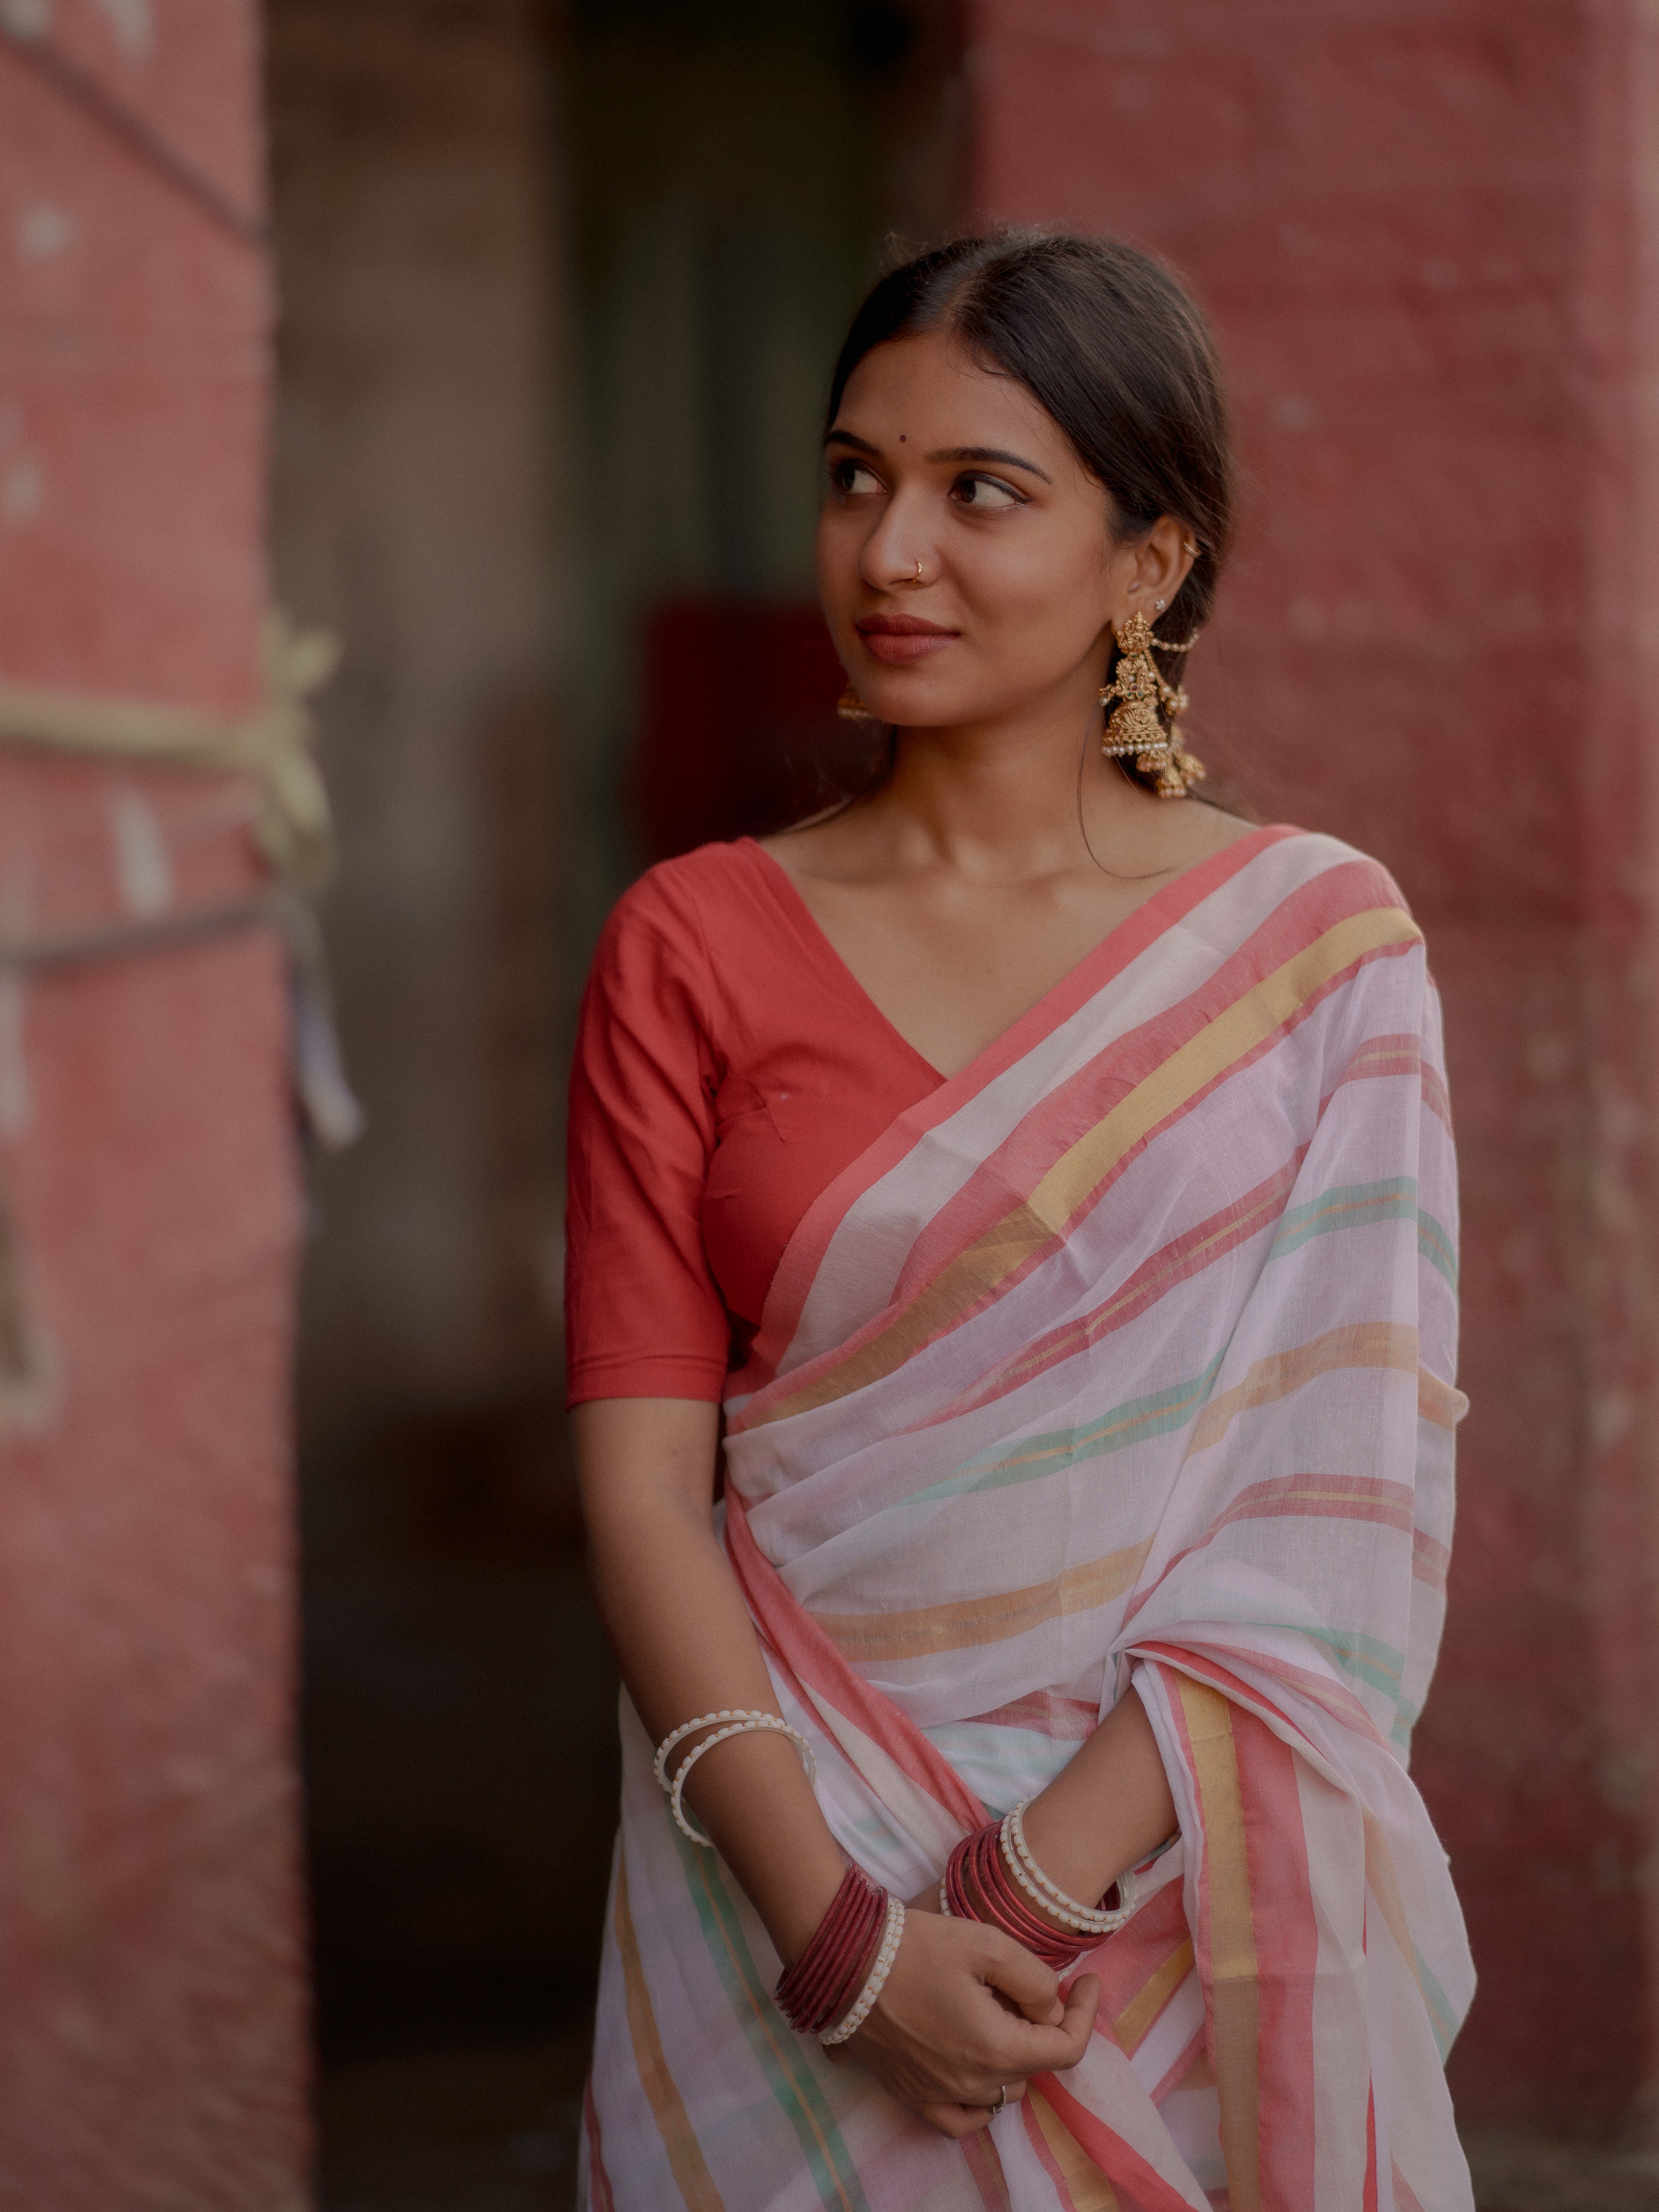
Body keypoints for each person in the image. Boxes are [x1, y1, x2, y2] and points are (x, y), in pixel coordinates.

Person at [567, 231, 1474, 2212]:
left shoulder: (1314, 953)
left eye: (979, 491)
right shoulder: (690, 942)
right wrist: (841, 1935)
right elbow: (643, 1489)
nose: (891, 550)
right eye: (852, 476)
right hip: (771, 1887)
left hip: (1177, 1902)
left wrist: (1028, 1880)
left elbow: (1336, 1489)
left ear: (1147, 563)